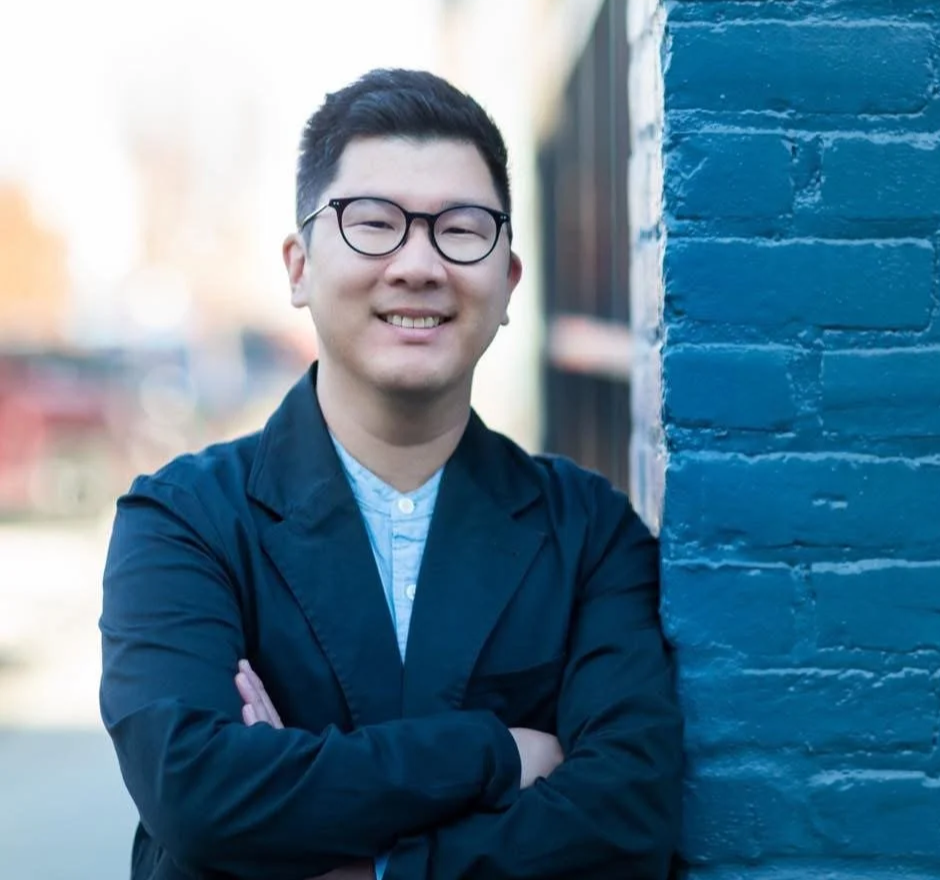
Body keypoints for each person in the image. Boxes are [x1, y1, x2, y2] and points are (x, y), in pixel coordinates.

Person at [100, 68, 683, 880]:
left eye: (462, 228)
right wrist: (500, 753)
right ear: (299, 267)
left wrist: (354, 859)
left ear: (508, 280)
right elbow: (196, 796)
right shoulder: (185, 521)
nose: (417, 264)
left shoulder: (589, 533)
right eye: (373, 223)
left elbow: (626, 819)